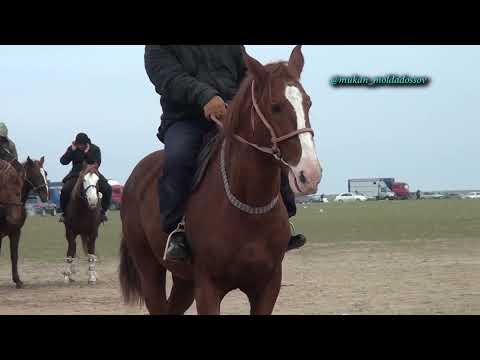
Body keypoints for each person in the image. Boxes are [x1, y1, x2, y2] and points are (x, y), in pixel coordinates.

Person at [144, 45, 307, 262]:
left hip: (231, 111)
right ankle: (178, 231)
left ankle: (284, 219)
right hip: (184, 118)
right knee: (178, 159)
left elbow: (247, 73)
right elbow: (168, 78)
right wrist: (205, 97)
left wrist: (243, 101)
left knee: (270, 147)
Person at [58, 133, 112, 222]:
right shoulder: (73, 148)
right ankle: (64, 214)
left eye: (81, 144)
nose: (80, 146)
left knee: (108, 189)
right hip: (76, 173)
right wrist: (71, 151)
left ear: (86, 143)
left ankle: (103, 212)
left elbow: (97, 162)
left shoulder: (95, 149)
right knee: (65, 190)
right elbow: (63, 161)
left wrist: (86, 153)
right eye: (78, 144)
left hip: (91, 172)